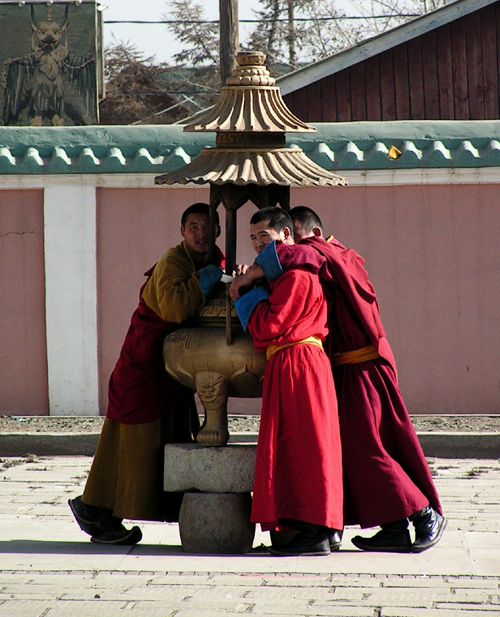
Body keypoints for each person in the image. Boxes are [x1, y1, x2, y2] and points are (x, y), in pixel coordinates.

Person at [230, 205, 446, 554]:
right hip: (344, 365)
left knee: (367, 445)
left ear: (300, 233)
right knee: (347, 448)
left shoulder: (318, 253)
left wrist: (249, 279)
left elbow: (290, 256)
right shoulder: (334, 255)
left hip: (361, 365)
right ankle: (393, 526)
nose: (275, 253)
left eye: (272, 241)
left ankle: (423, 515)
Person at [69, 203, 225, 545]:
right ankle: (96, 510)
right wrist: (203, 281)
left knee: (165, 440)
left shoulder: (215, 259)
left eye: (207, 226)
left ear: (217, 230)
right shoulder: (174, 262)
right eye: (193, 227)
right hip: (145, 363)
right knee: (128, 443)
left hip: (175, 366)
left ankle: (104, 509)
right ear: (182, 231)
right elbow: (174, 307)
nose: (200, 233)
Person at [234, 207, 343, 556]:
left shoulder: (297, 276)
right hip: (295, 363)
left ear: (285, 236)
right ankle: (320, 529)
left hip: (299, 364)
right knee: (303, 444)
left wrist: (243, 294)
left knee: (304, 447)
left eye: (264, 237)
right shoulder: (282, 276)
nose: (257, 246)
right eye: (252, 239)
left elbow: (269, 325)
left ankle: (315, 530)